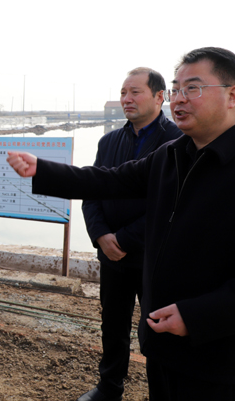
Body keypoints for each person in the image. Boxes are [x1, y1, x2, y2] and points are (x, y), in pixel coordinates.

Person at [7, 47, 235, 401]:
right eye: (176, 89)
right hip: (162, 341)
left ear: (231, 95)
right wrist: (42, 170)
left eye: (192, 88)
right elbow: (108, 180)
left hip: (218, 358)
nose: (179, 99)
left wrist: (195, 316)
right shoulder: (171, 155)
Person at [78, 68, 182, 401]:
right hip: (112, 256)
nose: (126, 99)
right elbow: (92, 192)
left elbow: (172, 205)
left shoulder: (179, 141)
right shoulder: (109, 141)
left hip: (156, 258)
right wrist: (101, 235)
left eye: (135, 92)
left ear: (159, 97)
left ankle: (161, 394)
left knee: (158, 330)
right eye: (123, 93)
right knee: (113, 324)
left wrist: (123, 239)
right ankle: (109, 388)